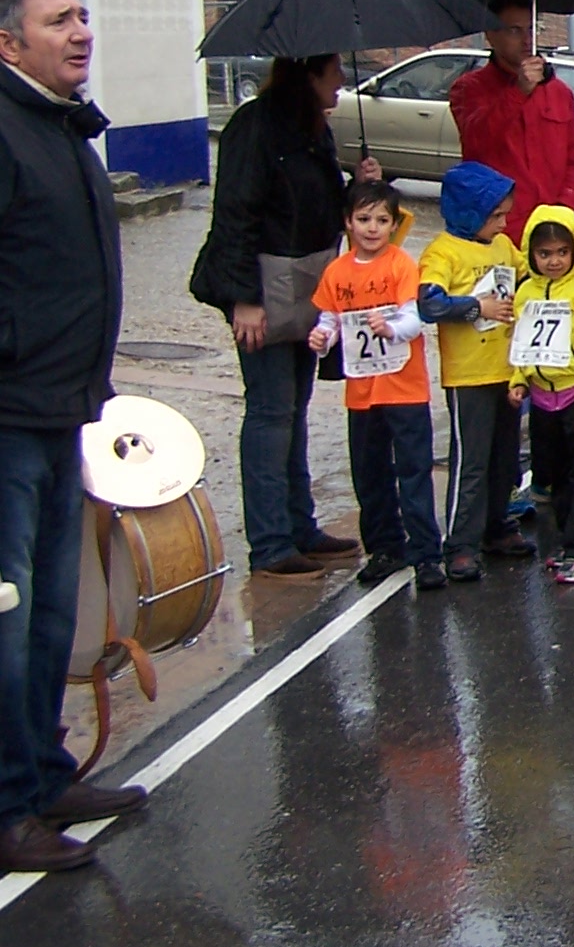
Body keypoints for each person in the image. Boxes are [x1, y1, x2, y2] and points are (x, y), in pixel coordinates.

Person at [0, 0, 141, 875]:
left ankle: (44, 775)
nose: (81, 32)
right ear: (9, 45)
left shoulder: (62, 127)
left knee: (52, 612)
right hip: (9, 416)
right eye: (58, 22)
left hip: (59, 410)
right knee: (7, 621)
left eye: (84, 16)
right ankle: (9, 807)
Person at [190, 53, 370, 582]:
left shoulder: (313, 127)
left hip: (308, 283)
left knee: (295, 408)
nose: (341, 81)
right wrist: (243, 297)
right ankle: (270, 543)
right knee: (270, 411)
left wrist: (357, 186)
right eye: (333, 71)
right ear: (308, 75)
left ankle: (301, 526)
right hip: (266, 288)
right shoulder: (256, 125)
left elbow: (318, 206)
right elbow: (236, 213)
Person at [308, 180, 442, 590]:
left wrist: (392, 329)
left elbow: (415, 318)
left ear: (393, 224)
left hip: (405, 389)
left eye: (382, 220)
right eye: (364, 219)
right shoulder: (336, 271)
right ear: (348, 222)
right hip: (362, 393)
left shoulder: (401, 265)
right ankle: (385, 548)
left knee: (414, 470)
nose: (372, 228)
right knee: (369, 474)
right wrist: (321, 338)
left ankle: (426, 554)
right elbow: (330, 319)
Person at [417, 162, 528, 582]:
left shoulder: (500, 246)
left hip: (507, 367)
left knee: (505, 456)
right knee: (471, 460)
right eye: (494, 215)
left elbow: (526, 271)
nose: (502, 224)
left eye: (504, 216)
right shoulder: (442, 252)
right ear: (469, 212)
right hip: (468, 376)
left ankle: (498, 525)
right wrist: (474, 307)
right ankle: (461, 542)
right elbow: (429, 303)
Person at [506, 204, 574, 583]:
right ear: (531, 254)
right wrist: (518, 379)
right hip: (541, 399)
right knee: (554, 479)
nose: (554, 261)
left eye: (562, 253)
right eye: (545, 253)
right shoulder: (526, 293)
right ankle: (566, 544)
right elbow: (522, 342)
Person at [449, 0, 574, 241]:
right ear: (491, 35)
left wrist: (563, 210)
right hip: (498, 230)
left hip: (549, 229)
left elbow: (571, 162)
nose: (527, 40)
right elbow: (477, 143)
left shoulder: (559, 92)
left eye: (532, 29)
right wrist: (518, 92)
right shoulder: (469, 88)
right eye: (514, 31)